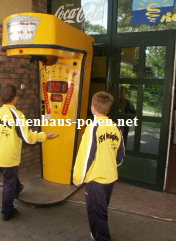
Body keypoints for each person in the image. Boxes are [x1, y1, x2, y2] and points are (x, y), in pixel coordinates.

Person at [0, 84, 58, 221]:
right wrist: (44, 136)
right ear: (16, 98)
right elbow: (28, 138)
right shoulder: (17, 115)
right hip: (9, 158)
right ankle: (7, 212)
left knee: (10, 178)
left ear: (2, 98)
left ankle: (17, 188)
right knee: (8, 184)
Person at [73, 91, 125, 241]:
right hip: (110, 178)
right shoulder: (115, 127)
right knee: (101, 208)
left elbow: (86, 156)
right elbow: (121, 154)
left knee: (96, 212)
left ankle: (101, 237)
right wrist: (110, 166)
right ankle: (96, 233)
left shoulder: (93, 127)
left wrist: (78, 178)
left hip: (96, 180)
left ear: (93, 107)